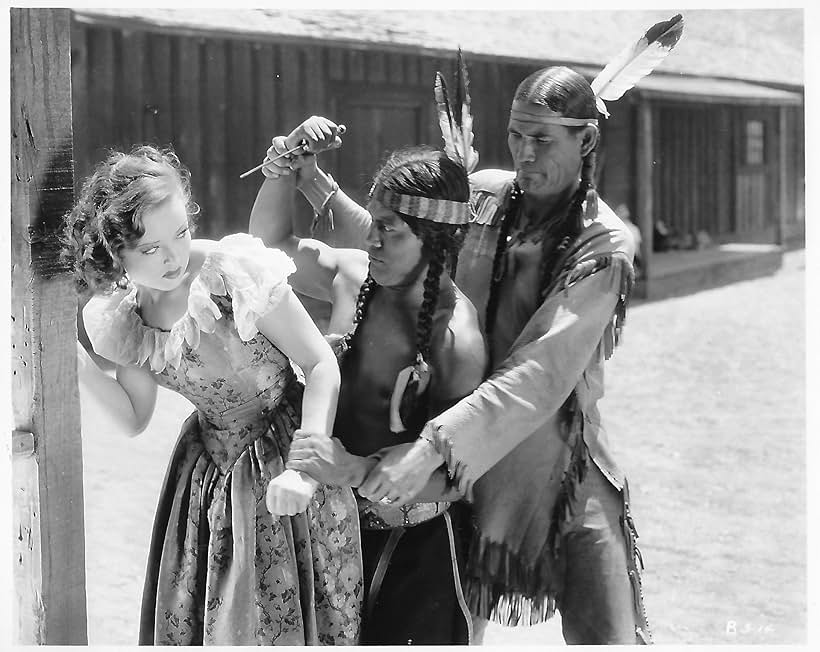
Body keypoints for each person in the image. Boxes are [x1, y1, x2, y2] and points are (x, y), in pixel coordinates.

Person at [273, 66, 652, 645]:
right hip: (447, 448)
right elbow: (408, 240)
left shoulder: (603, 244)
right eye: (516, 135)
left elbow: (538, 376)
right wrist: (312, 183)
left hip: (549, 459)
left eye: (543, 140)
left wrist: (427, 449)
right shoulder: (489, 193)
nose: (525, 154)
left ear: (589, 140)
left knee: (606, 632)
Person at [62, 145, 362, 645]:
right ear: (115, 251)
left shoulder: (232, 273)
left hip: (287, 453)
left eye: (179, 233)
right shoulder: (123, 318)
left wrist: (304, 467)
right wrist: (67, 357)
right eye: (150, 248)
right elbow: (135, 416)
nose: (173, 256)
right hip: (208, 474)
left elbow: (318, 363)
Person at [248, 129, 487, 644]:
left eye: (390, 229)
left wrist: (354, 469)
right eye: (372, 224)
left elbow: (455, 476)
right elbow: (269, 252)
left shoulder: (457, 341)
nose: (372, 240)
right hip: (323, 535)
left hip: (416, 553)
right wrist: (283, 166)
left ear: (437, 238)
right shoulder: (353, 276)